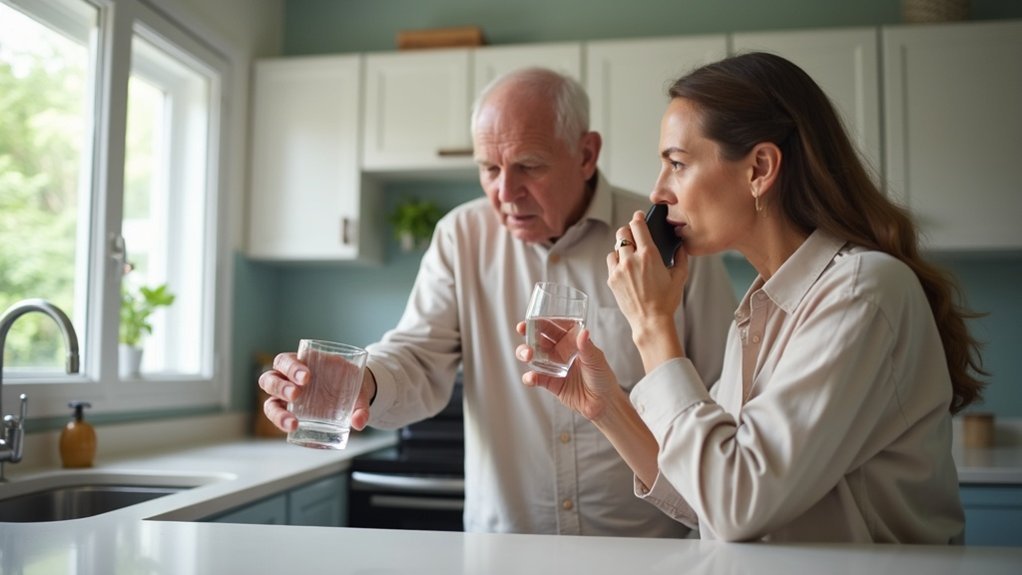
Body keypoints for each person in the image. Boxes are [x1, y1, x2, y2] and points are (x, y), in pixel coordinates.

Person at [516, 52, 987, 543]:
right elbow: (706, 500)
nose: (658, 192)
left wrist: (653, 325)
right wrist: (606, 406)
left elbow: (737, 505)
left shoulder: (861, 293)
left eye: (677, 164)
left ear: (760, 168)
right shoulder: (763, 307)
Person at [259, 68, 737, 536]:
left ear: (586, 154)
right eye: (489, 169)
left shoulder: (668, 238)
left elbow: (721, 390)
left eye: (529, 165)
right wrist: (363, 381)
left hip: (647, 550)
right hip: (507, 548)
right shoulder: (460, 236)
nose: (505, 193)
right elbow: (417, 356)